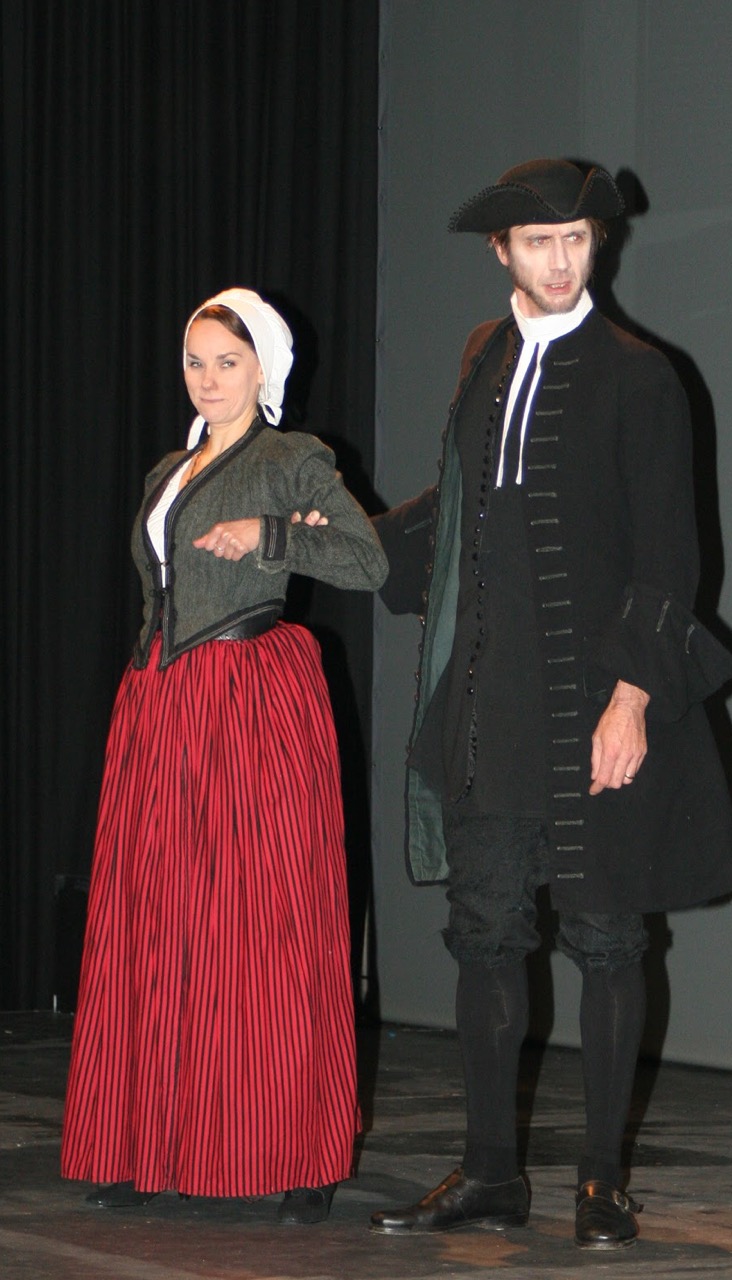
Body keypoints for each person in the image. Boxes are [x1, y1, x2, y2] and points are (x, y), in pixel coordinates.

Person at [369, 159, 732, 1249]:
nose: (562, 259)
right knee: (484, 933)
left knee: (607, 938)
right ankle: (490, 1172)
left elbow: (670, 556)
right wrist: (341, 540)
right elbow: (465, 506)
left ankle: (601, 1182)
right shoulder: (482, 355)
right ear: (503, 251)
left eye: (577, 239)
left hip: (592, 701)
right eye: (539, 241)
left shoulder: (641, 375)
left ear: (597, 245)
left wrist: (633, 698)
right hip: (490, 704)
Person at [61, 287, 387, 1224]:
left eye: (227, 363)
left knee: (264, 922)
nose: (208, 380)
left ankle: (298, 1155)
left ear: (263, 369)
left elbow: (366, 560)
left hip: (248, 701)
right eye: (195, 362)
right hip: (160, 704)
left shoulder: (291, 459)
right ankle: (146, 1143)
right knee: (154, 920)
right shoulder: (172, 467)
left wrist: (270, 535)